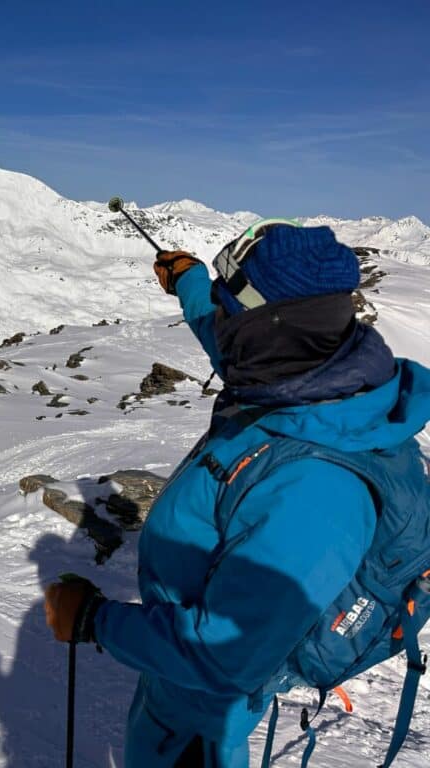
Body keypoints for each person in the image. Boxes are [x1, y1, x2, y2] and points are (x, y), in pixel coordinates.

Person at [43, 220, 430, 767]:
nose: (218, 325)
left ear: (268, 327)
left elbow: (225, 655)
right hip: (175, 666)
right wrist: (191, 281)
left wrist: (93, 621)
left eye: (229, 312)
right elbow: (222, 330)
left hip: (203, 703)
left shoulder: (317, 490)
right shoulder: (302, 375)